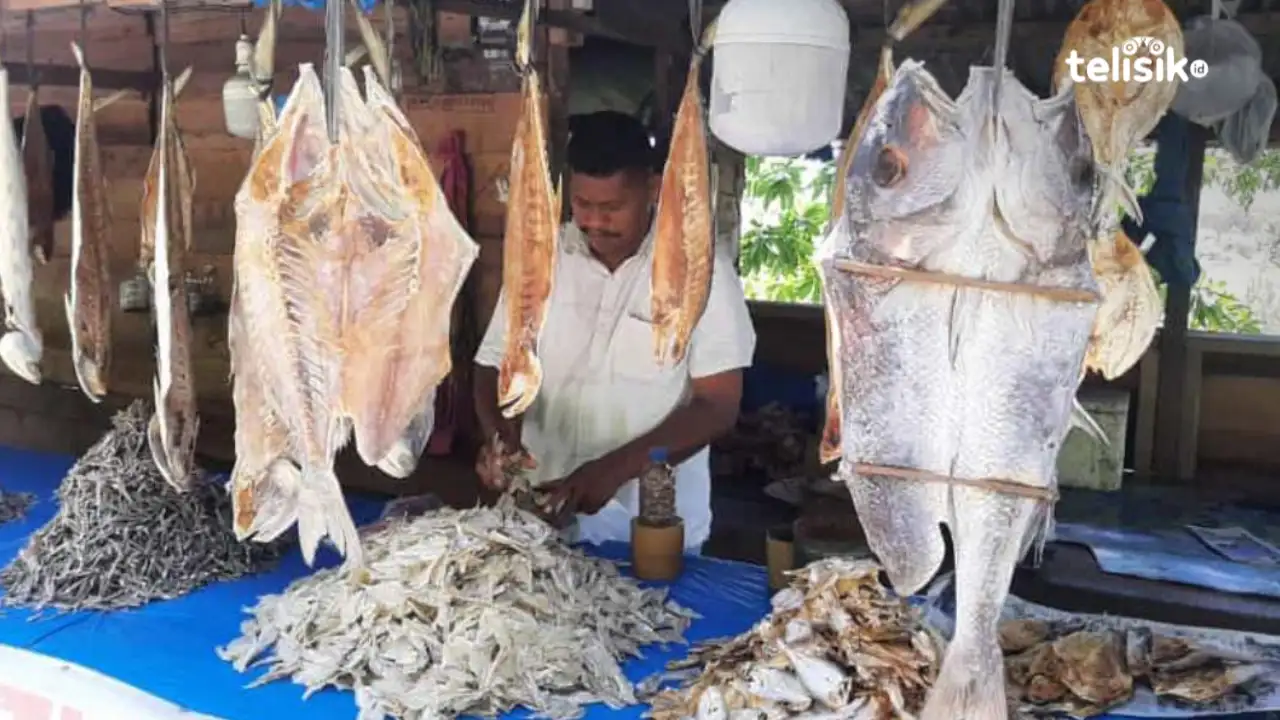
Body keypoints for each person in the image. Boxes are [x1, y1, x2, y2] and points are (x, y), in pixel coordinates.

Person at [472, 110, 757, 553]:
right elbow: (493, 364)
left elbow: (717, 406)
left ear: (653, 189)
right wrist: (500, 436)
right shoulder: (542, 259)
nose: (594, 222)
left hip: (650, 532)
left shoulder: (700, 272)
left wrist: (613, 471)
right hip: (539, 518)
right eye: (582, 204)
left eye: (611, 208)